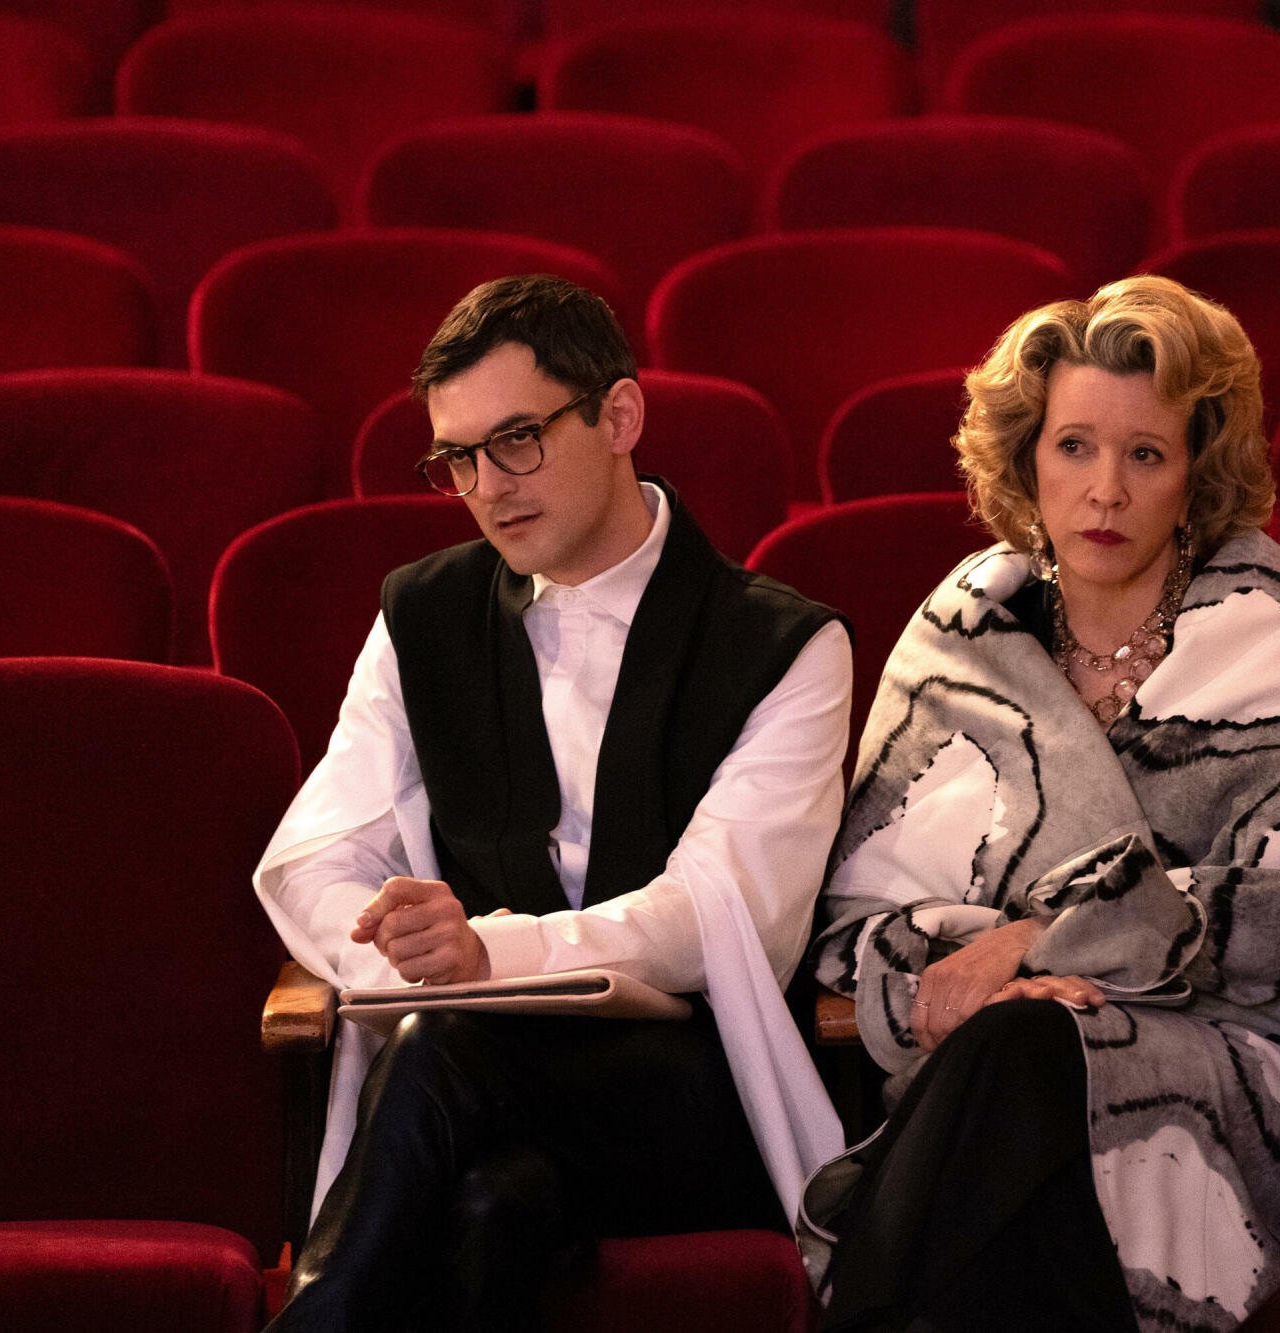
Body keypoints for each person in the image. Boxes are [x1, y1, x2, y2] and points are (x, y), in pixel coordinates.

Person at [254, 274, 853, 1331]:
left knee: (442, 1050)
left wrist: (486, 957)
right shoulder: (422, 614)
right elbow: (312, 857)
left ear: (619, 415)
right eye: (457, 458)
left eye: (518, 439)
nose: (488, 485)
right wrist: (399, 957)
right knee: (494, 1207)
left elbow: (723, 917)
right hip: (474, 1105)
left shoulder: (785, 646)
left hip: (691, 1093)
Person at [806, 275, 1280, 1332]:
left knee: (1025, 1063)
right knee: (1018, 1073)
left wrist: (1029, 946)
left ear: (1194, 472)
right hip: (981, 1070)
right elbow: (854, 929)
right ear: (1026, 457)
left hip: (1240, 1067)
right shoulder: (964, 622)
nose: (1104, 490)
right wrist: (987, 978)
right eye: (1074, 446)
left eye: (1144, 455)